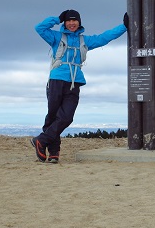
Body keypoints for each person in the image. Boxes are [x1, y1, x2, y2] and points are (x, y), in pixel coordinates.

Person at [31, 9, 129, 163]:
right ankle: (54, 152)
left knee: (66, 117)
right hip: (56, 79)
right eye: (68, 20)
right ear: (65, 22)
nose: (71, 23)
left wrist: (124, 27)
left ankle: (42, 141)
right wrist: (57, 19)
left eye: (74, 20)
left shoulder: (84, 41)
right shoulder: (56, 37)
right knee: (53, 116)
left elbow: (104, 37)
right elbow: (39, 28)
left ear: (79, 22)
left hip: (75, 81)